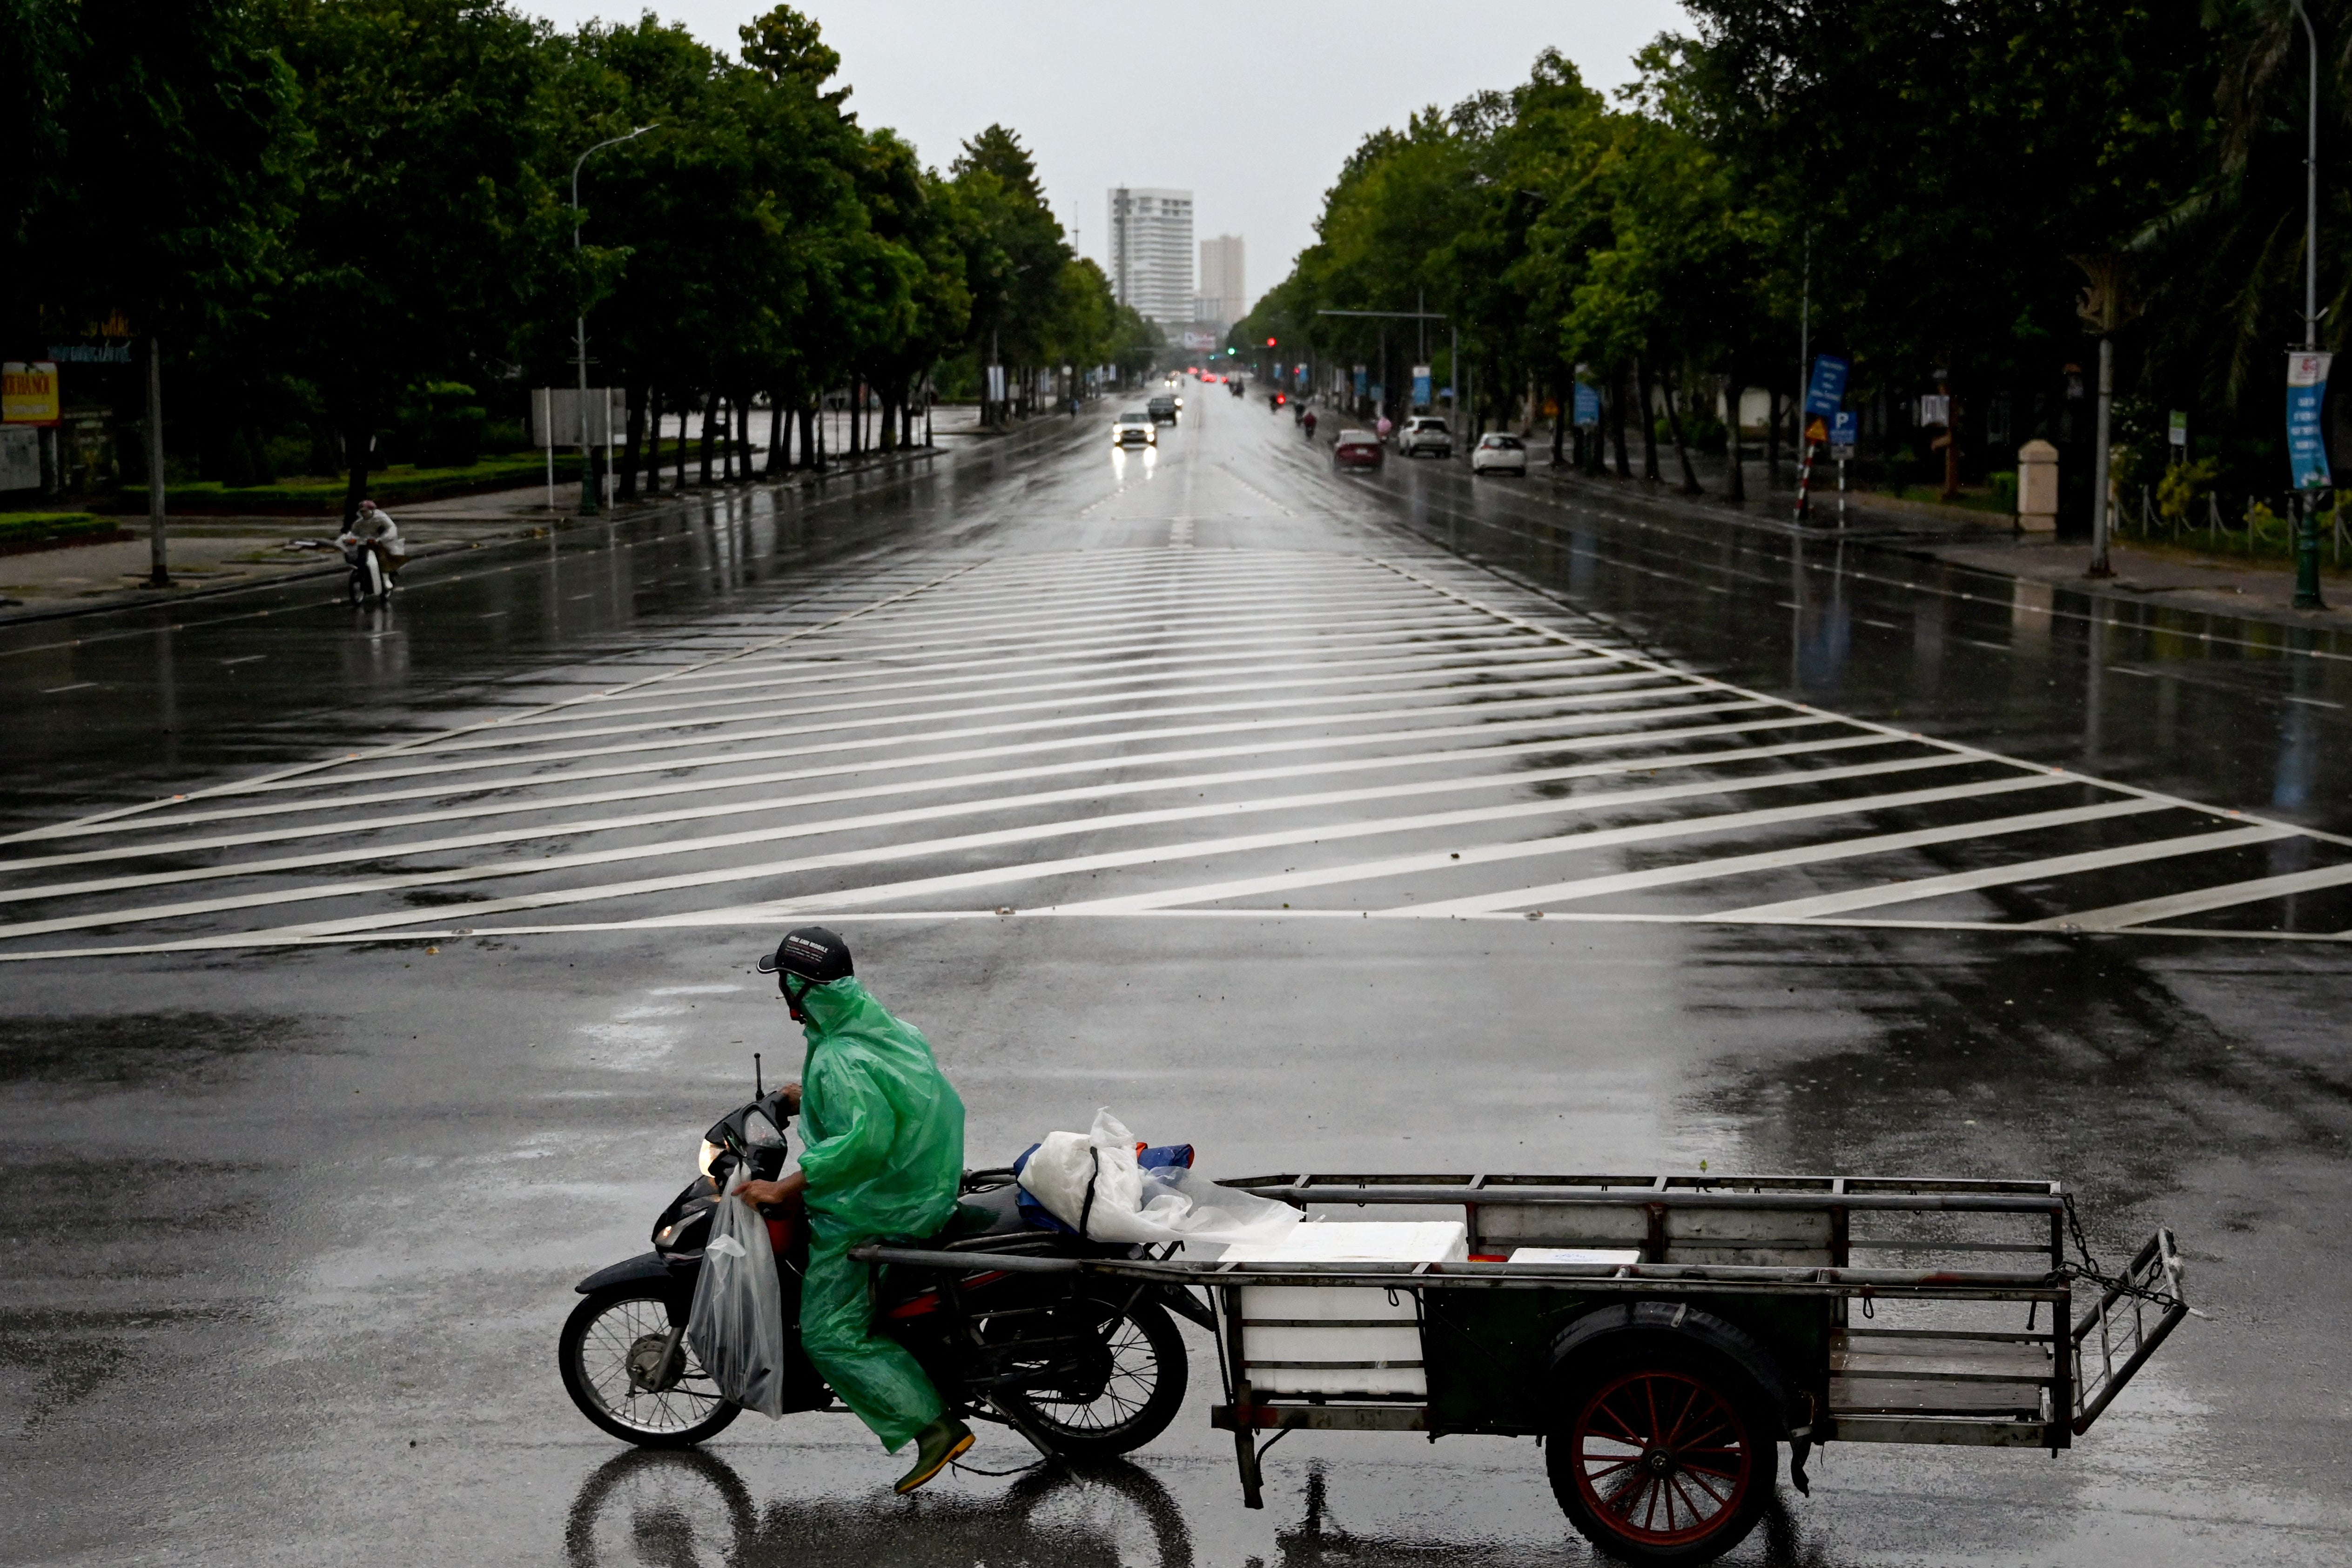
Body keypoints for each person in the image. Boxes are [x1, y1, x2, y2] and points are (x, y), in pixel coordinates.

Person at [732, 926, 974, 1494]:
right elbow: (881, 1092)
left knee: (826, 1335)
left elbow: (863, 1141)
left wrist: (786, 1187)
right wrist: (804, 1096)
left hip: (877, 1205)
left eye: (784, 984)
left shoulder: (840, 1054)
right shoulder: (878, 1026)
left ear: (800, 987)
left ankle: (934, 1427)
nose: (781, 995)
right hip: (920, 1185)